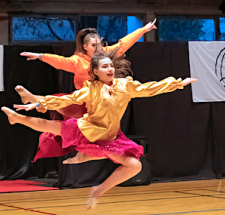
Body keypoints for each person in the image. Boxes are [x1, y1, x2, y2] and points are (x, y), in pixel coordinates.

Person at [2, 49, 197, 209]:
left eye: (111, 65)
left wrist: (177, 83)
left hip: (111, 137)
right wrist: (39, 104)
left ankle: (98, 190)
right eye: (105, 66)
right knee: (50, 126)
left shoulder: (125, 85)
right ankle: (17, 117)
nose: (110, 69)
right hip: (87, 129)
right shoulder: (91, 89)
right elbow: (68, 99)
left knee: (135, 165)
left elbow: (149, 88)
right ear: (96, 72)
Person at [15, 19, 158, 161]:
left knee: (96, 136)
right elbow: (60, 61)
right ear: (85, 47)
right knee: (62, 101)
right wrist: (41, 56)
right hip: (84, 100)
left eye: (99, 44)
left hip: (99, 106)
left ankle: (82, 154)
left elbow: (123, 44)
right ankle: (33, 98)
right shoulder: (77, 61)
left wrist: (143, 29)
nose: (98, 48)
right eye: (93, 45)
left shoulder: (105, 55)